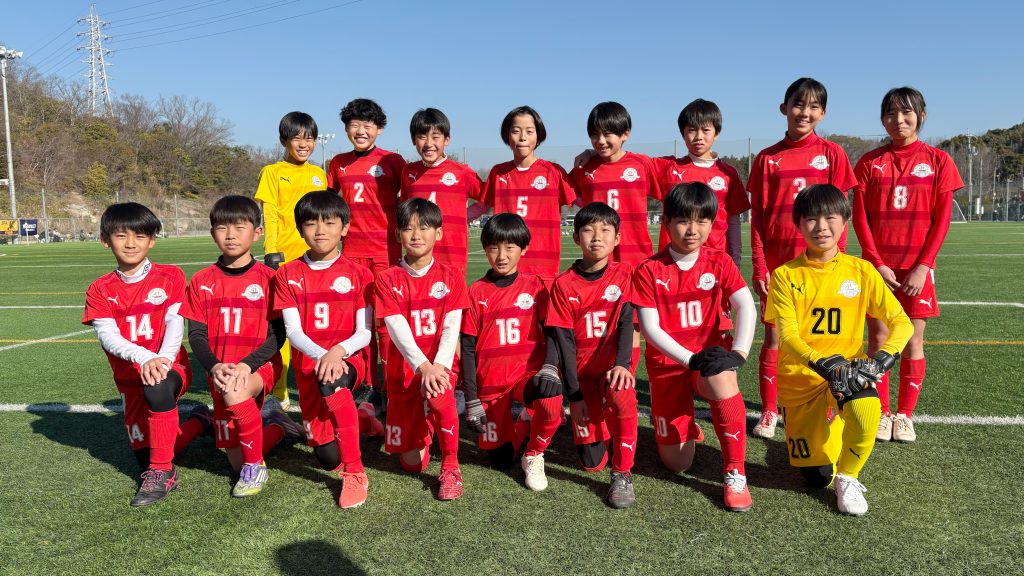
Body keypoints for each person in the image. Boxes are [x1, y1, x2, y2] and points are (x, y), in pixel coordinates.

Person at [765, 184, 912, 516]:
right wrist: (824, 364)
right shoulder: (785, 276)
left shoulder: (861, 271)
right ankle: (833, 431)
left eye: (830, 218)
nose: (821, 227)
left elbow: (901, 322)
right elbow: (788, 336)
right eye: (811, 219)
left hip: (848, 373)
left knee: (866, 408)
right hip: (801, 379)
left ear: (844, 221)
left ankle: (849, 476)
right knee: (816, 477)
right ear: (798, 224)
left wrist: (881, 360)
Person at [633, 182, 756, 512]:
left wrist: (739, 353)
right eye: (684, 220)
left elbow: (746, 305)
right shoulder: (648, 270)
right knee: (678, 464)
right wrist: (691, 358)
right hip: (669, 366)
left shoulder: (719, 261)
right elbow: (650, 328)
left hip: (707, 364)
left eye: (702, 221)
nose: (693, 229)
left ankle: (735, 472)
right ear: (667, 222)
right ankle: (686, 426)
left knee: (723, 374)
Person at [747, 78, 857, 439]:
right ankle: (769, 410)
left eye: (813, 107)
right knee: (775, 340)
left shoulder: (833, 154)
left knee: (820, 341)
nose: (804, 112)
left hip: (821, 268)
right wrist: (760, 265)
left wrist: (839, 262)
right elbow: (759, 219)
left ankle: (822, 407)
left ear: (822, 113)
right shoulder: (766, 158)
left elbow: (840, 214)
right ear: (784, 108)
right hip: (780, 269)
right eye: (798, 104)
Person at [853, 87, 964, 443]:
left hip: (917, 269)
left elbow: (942, 219)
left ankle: (905, 416)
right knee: (879, 339)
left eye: (906, 113)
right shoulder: (869, 162)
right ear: (882, 118)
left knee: (914, 341)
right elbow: (860, 219)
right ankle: (883, 412)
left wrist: (923, 266)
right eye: (890, 114)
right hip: (879, 270)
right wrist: (876, 263)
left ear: (921, 116)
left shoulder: (939, 161)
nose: (898, 120)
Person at [82, 202, 212, 507]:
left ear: (152, 240)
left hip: (170, 368)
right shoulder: (99, 289)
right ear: (105, 240)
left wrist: (162, 361)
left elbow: (175, 323)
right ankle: (199, 423)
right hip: (131, 379)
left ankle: (164, 473)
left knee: (158, 388)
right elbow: (108, 337)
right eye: (121, 235)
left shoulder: (171, 276)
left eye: (139, 236)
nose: (131, 243)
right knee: (148, 453)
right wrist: (145, 357)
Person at [181, 195, 304, 498]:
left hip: (259, 365)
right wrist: (214, 366)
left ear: (257, 233)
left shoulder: (271, 279)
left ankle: (255, 468)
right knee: (234, 460)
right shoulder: (201, 280)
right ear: (212, 233)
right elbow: (196, 335)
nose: (231, 235)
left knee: (236, 392)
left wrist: (248, 365)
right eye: (222, 228)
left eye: (239, 227)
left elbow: (278, 335)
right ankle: (278, 427)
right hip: (221, 370)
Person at [271, 191, 374, 509]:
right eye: (311, 223)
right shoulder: (287, 274)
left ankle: (355, 473)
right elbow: (293, 332)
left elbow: (365, 333)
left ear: (344, 228)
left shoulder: (359, 274)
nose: (320, 230)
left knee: (333, 381)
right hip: (310, 367)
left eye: (329, 222)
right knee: (328, 459)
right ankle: (364, 419)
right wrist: (322, 355)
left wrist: (337, 352)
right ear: (300, 229)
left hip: (349, 360)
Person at [460, 213, 564, 491]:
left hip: (524, 377)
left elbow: (552, 331)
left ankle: (534, 453)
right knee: (500, 460)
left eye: (510, 247)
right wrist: (471, 398)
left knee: (550, 396)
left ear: (524, 248)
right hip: (490, 385)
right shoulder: (475, 292)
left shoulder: (535, 286)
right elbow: (467, 349)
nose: (501, 256)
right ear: (485, 249)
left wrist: (550, 366)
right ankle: (524, 423)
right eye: (494, 247)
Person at [375, 198, 470, 500]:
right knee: (411, 465)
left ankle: (451, 467)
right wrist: (423, 366)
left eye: (424, 227)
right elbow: (397, 329)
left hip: (439, 367)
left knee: (440, 391)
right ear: (397, 234)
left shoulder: (452, 276)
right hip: (406, 370)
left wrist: (437, 367)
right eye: (408, 228)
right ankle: (425, 423)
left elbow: (451, 328)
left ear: (438, 233)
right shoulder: (386, 279)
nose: (416, 235)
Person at [546, 202, 640, 509]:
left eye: (605, 230)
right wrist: (574, 397)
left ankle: (622, 473)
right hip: (582, 374)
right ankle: (604, 422)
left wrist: (622, 365)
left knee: (621, 391)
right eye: (588, 230)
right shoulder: (563, 284)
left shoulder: (625, 274)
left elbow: (626, 323)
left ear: (617, 238)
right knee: (591, 462)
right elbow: (564, 344)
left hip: (613, 368)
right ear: (576, 237)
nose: (597, 237)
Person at [326, 98, 406, 429]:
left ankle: (392, 387)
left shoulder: (392, 161)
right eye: (355, 125)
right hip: (351, 256)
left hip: (386, 253)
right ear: (346, 129)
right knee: (359, 325)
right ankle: (367, 386)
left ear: (379, 129)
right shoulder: (337, 163)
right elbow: (329, 206)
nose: (361, 130)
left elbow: (410, 200)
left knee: (387, 325)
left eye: (368, 125)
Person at [255, 111, 328, 412]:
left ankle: (320, 387)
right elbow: (270, 214)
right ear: (284, 140)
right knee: (283, 330)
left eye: (309, 138)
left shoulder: (319, 175)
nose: (304, 143)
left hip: (316, 260)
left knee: (317, 326)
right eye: (297, 138)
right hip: (285, 261)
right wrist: (272, 252)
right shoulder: (272, 172)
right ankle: (280, 393)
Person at [483, 106, 577, 280]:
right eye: (516, 131)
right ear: (506, 135)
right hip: (508, 266)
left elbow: (581, 202)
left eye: (529, 131)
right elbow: (481, 207)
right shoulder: (498, 173)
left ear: (538, 135)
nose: (522, 137)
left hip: (544, 268)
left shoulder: (554, 172)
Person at [652, 99, 750, 265]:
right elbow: (630, 163)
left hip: (715, 262)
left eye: (705, 130)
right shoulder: (666, 167)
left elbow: (733, 221)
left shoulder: (728, 174)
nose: (698, 137)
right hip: (671, 262)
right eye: (691, 130)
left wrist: (735, 258)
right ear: (683, 133)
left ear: (716, 133)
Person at [569, 101, 660, 265]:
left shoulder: (642, 165)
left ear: (625, 134)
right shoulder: (583, 169)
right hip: (599, 257)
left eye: (607, 134)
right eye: (595, 134)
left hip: (637, 256)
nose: (600, 141)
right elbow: (562, 192)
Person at [400, 108, 488, 273]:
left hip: (452, 258)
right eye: (422, 137)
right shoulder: (408, 172)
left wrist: (468, 215)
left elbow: (488, 197)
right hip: (417, 258)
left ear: (446, 140)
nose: (428, 143)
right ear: (413, 140)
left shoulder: (461, 172)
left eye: (435, 137)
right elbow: (405, 211)